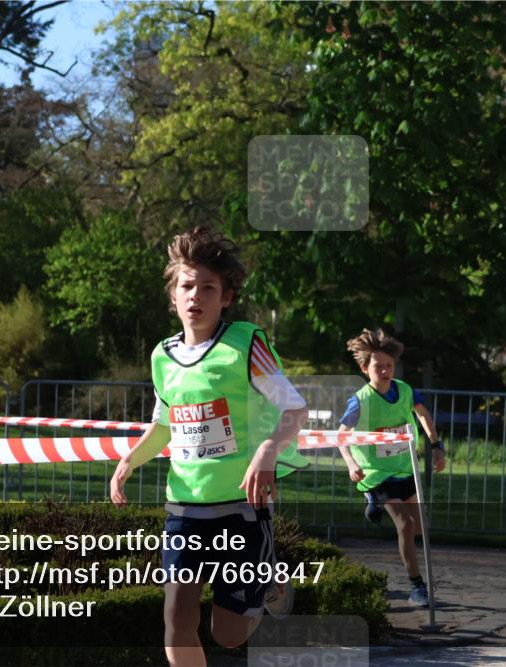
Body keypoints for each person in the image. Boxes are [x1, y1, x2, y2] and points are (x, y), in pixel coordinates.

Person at [110, 227, 309, 667]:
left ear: (226, 298)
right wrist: (130, 459)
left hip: (242, 508)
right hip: (184, 508)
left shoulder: (245, 343)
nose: (195, 295)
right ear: (173, 296)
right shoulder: (163, 356)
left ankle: (268, 581)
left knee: (229, 635)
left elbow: (295, 409)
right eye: (186, 286)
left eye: (207, 287)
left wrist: (267, 452)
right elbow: (164, 424)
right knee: (177, 621)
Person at [336, 328, 445, 607]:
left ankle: (417, 576)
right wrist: (350, 463)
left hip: (405, 468)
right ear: (364, 368)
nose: (384, 371)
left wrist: (436, 445)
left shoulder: (406, 390)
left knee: (421, 526)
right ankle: (416, 585)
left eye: (389, 366)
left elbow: (423, 414)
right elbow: (341, 436)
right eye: (378, 367)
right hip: (377, 473)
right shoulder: (360, 401)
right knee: (405, 525)